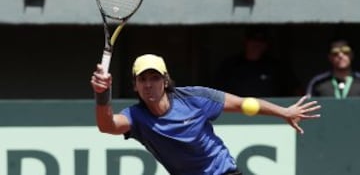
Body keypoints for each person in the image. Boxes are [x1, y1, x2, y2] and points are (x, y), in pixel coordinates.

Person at [90, 53, 321, 175]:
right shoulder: (136, 116)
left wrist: (284, 112)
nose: (149, 84)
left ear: (165, 80)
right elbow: (107, 125)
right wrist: (102, 94)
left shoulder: (195, 98)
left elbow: (242, 104)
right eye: (142, 79)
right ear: (135, 86)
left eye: (155, 78)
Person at [214, 27, 301, 98]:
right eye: (253, 39)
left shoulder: (276, 67)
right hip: (236, 114)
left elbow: (296, 90)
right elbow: (216, 94)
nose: (257, 44)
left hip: (271, 114)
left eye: (261, 40)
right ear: (246, 41)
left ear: (266, 44)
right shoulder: (230, 66)